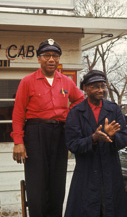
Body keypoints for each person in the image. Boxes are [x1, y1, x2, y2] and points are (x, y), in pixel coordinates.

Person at [11, 39, 84, 217]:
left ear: (59, 59)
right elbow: (18, 113)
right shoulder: (27, 81)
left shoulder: (66, 81)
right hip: (35, 133)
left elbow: (80, 99)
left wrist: (67, 114)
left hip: (59, 133)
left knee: (57, 183)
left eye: (55, 55)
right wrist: (18, 142)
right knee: (36, 183)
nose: (51, 59)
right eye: (47, 55)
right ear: (39, 59)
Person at [64, 70, 127, 217]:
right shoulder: (76, 112)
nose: (101, 90)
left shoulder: (113, 109)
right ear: (86, 89)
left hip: (110, 171)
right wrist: (93, 138)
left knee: (111, 209)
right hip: (86, 173)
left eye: (103, 86)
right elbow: (72, 144)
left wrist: (111, 137)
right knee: (86, 209)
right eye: (95, 86)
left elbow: (124, 138)